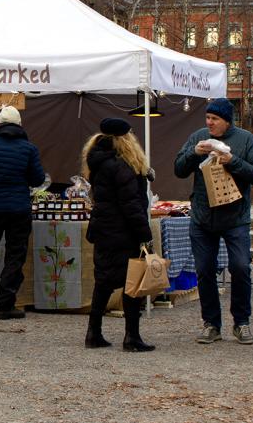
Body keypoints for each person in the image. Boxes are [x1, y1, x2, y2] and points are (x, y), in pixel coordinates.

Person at [174, 98, 253, 345]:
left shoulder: (246, 140)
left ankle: (242, 322)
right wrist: (194, 153)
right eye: (208, 118)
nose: (209, 123)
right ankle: (211, 324)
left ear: (227, 120)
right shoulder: (198, 138)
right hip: (203, 217)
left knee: (240, 267)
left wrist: (233, 161)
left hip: (235, 218)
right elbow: (179, 169)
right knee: (204, 270)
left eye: (214, 119)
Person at [81, 118, 155, 352]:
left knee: (103, 281)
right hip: (123, 232)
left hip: (104, 229)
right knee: (131, 283)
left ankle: (94, 333)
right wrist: (145, 234)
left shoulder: (99, 162)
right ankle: (131, 337)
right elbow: (131, 205)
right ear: (126, 139)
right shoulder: (122, 166)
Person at [0, 105, 46, 319]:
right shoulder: (28, 148)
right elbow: (38, 179)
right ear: (19, 125)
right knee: (15, 255)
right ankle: (5, 305)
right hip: (18, 209)